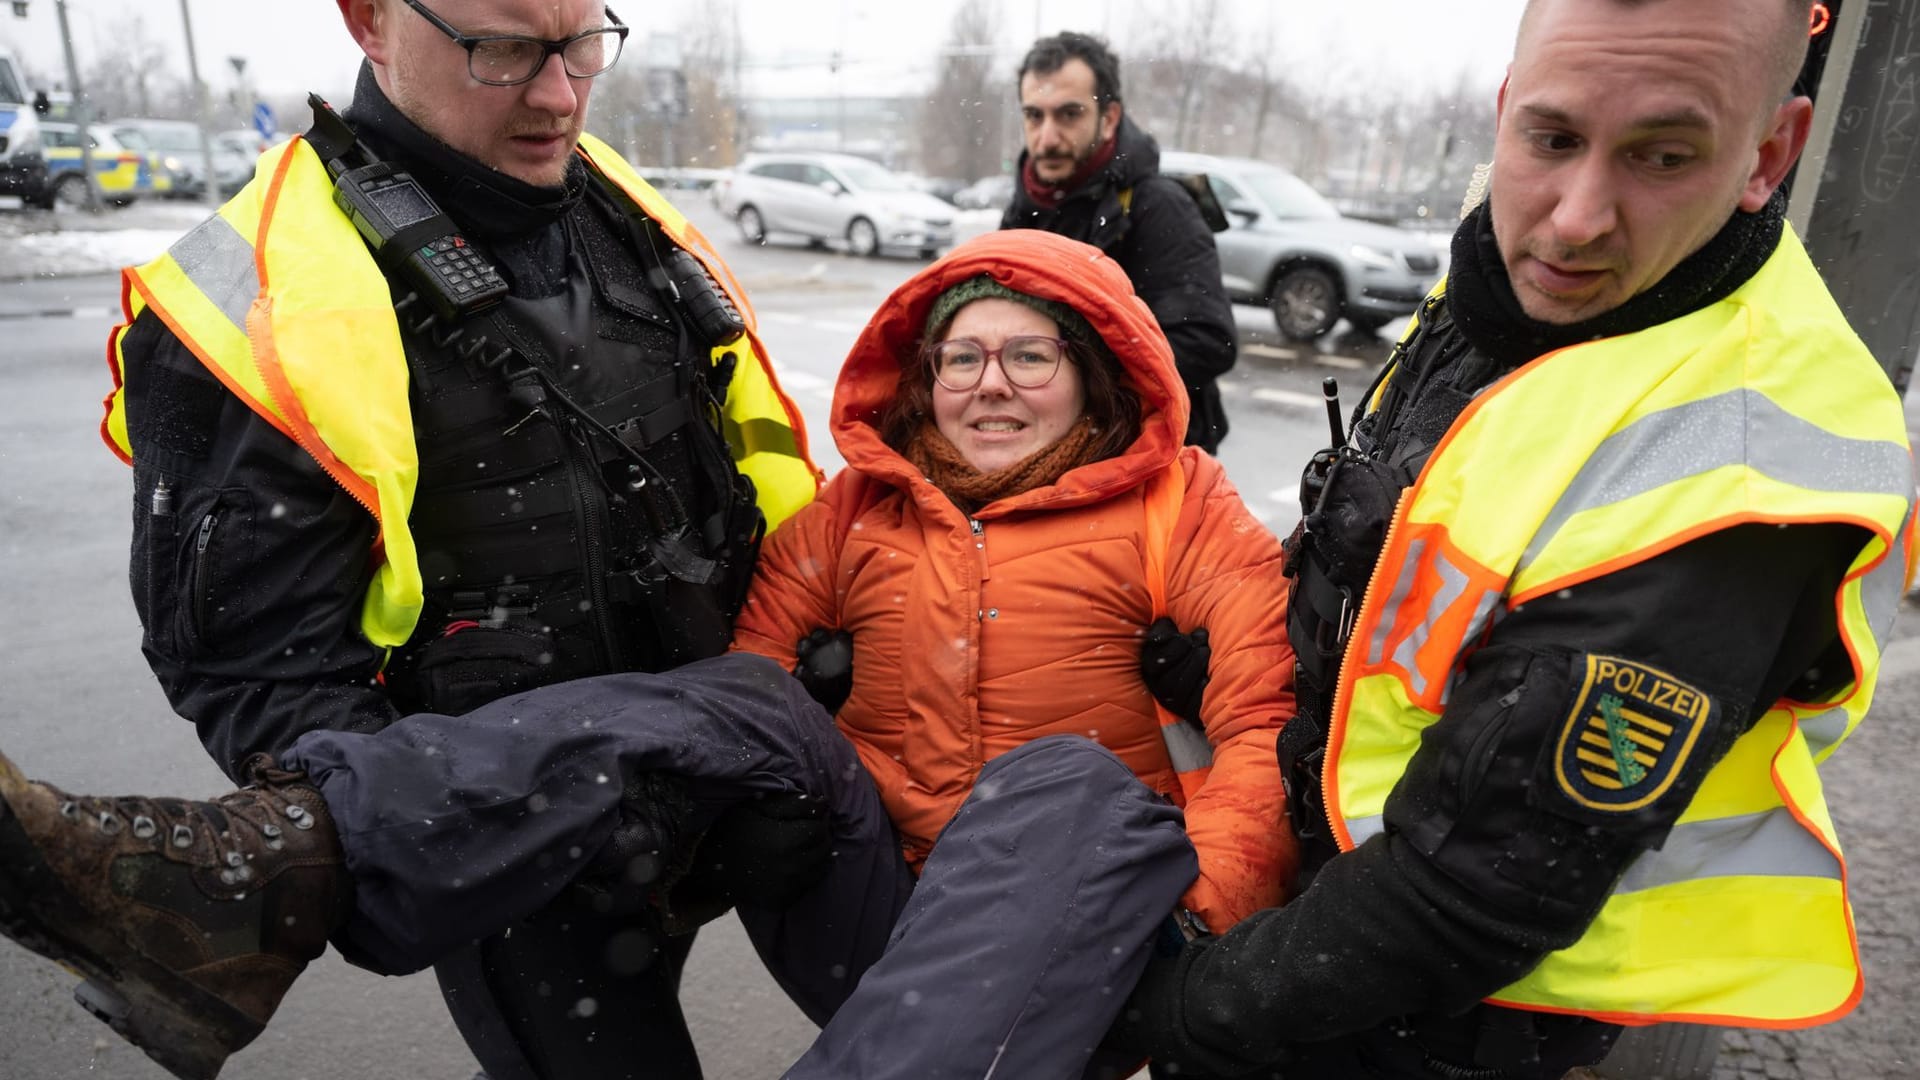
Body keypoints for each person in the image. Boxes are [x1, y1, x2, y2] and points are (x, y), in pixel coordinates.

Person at [0, 229, 1299, 1080]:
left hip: (1081, 928)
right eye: (964, 355)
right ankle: (279, 861)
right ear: (925, 378)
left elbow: (1258, 730)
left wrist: (1205, 928)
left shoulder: (1183, 510)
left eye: (1031, 356)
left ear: (1094, 379)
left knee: (1065, 780)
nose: (993, 383)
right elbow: (739, 709)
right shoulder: (857, 512)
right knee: (746, 702)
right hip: (878, 911)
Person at [1107, 1, 1918, 1077]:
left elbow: (1477, 884)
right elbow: (1408, 575)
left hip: (1447, 1019)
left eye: (1662, 154)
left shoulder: (1739, 463)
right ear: (1503, 114)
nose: (1577, 217)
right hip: (1335, 924)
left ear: (1770, 153)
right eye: (1551, 140)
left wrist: (1172, 1014)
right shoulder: (1522, 289)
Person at [97, 0, 820, 1077]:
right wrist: (526, 818)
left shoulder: (618, 202)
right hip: (529, 868)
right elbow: (257, 676)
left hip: (725, 763)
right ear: (371, 21)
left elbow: (749, 474)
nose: (559, 95)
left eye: (582, 41)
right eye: (504, 48)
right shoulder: (261, 294)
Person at [1003, 31, 1238, 455]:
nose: (1047, 137)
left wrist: (1074, 382)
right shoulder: (1024, 208)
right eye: (1034, 116)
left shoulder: (1159, 206)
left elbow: (1206, 342)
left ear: (1109, 117)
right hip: (1056, 455)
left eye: (1069, 114)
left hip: (1150, 461)